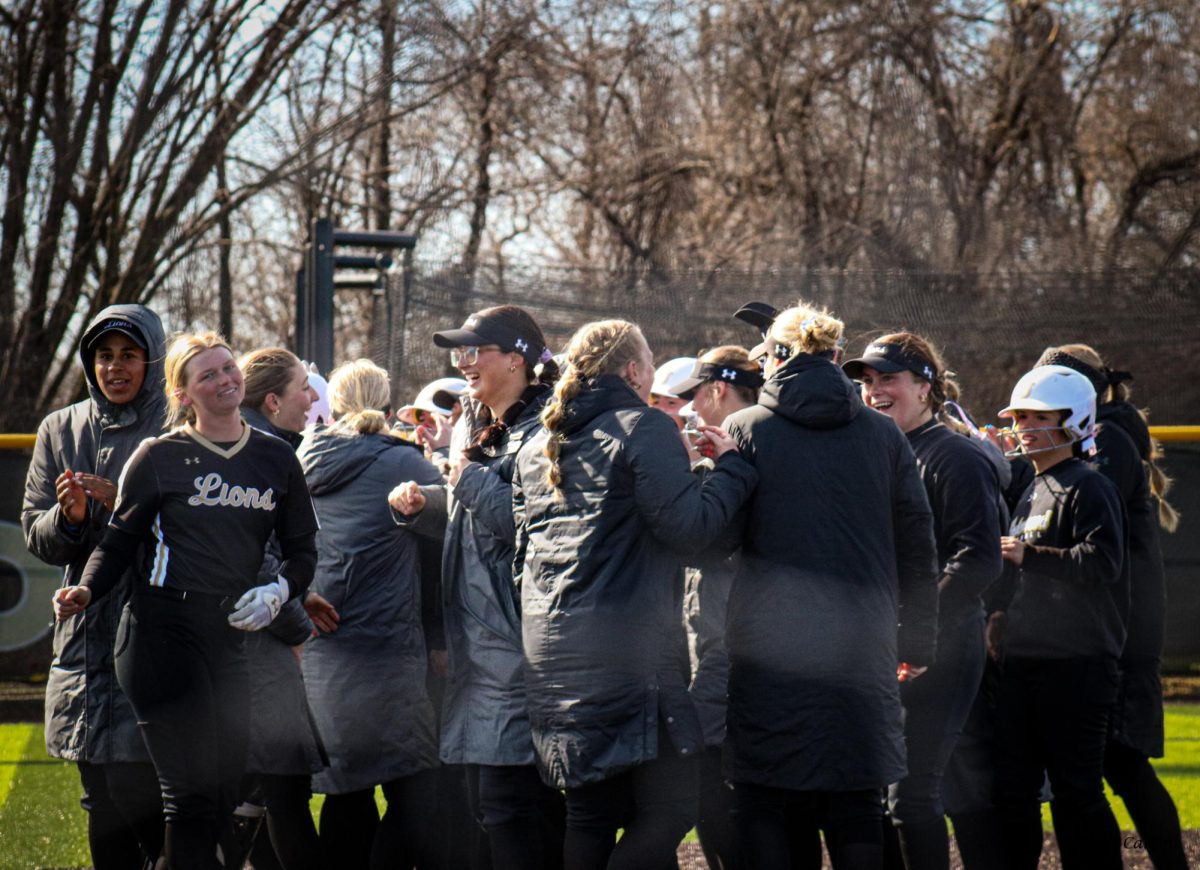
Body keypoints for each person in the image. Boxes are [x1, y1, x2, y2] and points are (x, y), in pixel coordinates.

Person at [52, 331, 320, 870]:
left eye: (228, 369)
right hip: (160, 634)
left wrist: (278, 592)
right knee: (191, 797)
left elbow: (302, 551)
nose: (224, 380)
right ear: (182, 394)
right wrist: (86, 588)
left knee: (223, 795)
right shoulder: (158, 456)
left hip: (230, 637)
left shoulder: (276, 457)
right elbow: (119, 542)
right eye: (207, 375)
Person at [513, 318, 758, 870]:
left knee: (590, 815)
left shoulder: (538, 443)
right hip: (627, 657)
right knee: (675, 806)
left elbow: (521, 556)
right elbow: (691, 532)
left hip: (551, 655)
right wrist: (731, 470)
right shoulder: (641, 427)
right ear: (632, 370)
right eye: (650, 364)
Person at [721, 302, 939, 870]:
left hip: (772, 651)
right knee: (856, 802)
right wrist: (916, 642)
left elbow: (715, 542)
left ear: (777, 357)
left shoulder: (744, 430)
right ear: (839, 358)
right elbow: (918, 545)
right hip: (860, 650)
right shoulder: (884, 436)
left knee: (767, 800)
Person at [389, 305, 568, 870]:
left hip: (514, 645)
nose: (462, 363)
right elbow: (479, 523)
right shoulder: (475, 420)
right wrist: (426, 504)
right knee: (498, 807)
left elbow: (534, 525)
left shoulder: (545, 430)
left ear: (516, 359)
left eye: (474, 352)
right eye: (457, 353)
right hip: (474, 646)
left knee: (508, 806)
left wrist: (464, 479)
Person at [843, 334, 1003, 870]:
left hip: (942, 645)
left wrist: (912, 626)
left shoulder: (954, 455)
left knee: (909, 796)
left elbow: (978, 559)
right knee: (882, 792)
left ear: (925, 385)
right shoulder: (881, 452)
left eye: (888, 378)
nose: (874, 391)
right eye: (867, 381)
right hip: (890, 644)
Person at [23, 305, 168, 869]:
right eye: (104, 356)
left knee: (155, 806)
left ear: (152, 360)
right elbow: (39, 535)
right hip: (83, 646)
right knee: (101, 804)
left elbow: (202, 536)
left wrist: (122, 505)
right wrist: (72, 518)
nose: (115, 368)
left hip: (157, 640)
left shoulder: (178, 427)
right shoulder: (59, 429)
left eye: (129, 355)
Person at [1032, 345, 1187, 870]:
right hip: (1106, 626)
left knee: (1121, 764)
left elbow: (1091, 539)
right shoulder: (1104, 437)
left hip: (1120, 630)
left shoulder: (1108, 442)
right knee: (1109, 766)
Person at [297, 358, 444, 870]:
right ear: (385, 404)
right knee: (419, 795)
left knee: (347, 794)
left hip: (323, 652)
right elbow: (458, 516)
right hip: (386, 652)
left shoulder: (300, 458)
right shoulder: (400, 462)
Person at [990, 364, 1127, 870]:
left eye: (1036, 416)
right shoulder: (1031, 488)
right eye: (1019, 417)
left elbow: (1103, 562)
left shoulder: (1088, 487)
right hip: (1025, 662)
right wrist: (1000, 614)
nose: (1023, 427)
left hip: (1079, 665)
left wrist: (1031, 557)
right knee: (1013, 791)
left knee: (1076, 792)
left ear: (1073, 420)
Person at [236, 347, 333, 870]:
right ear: (273, 401)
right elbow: (252, 562)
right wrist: (295, 625)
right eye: (303, 387)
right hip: (257, 651)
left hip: (240, 646)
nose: (313, 397)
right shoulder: (263, 452)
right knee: (286, 792)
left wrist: (299, 595)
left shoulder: (251, 443)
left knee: (265, 794)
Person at [671, 346, 764, 870]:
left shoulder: (744, 455)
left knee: (716, 797)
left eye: (696, 395)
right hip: (721, 644)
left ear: (719, 391)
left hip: (727, 650)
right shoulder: (737, 450)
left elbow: (705, 545)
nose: (691, 408)